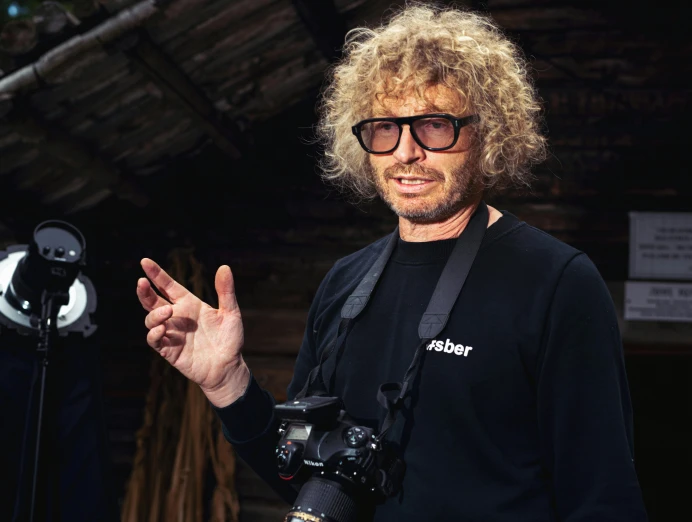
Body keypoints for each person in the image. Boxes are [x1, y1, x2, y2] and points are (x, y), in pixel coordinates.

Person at [137, 5, 647, 521]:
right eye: (384, 128)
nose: (405, 152)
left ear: (489, 131)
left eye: (433, 125)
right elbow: (308, 484)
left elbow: (603, 500)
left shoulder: (556, 283)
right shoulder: (344, 283)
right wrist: (228, 384)